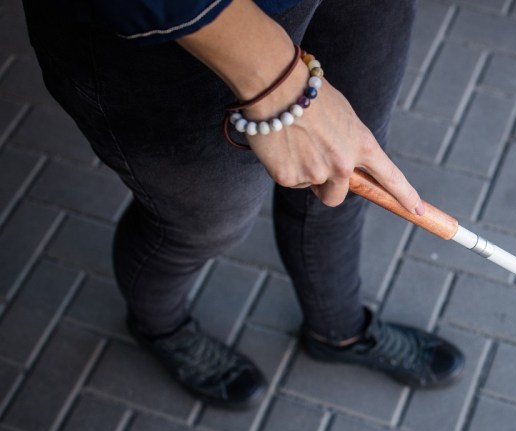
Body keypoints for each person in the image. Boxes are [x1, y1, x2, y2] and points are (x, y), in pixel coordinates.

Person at [22, 0, 465, 408]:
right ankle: (159, 326)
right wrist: (280, 86)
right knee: (201, 226)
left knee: (354, 177)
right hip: (168, 34)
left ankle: (338, 331)